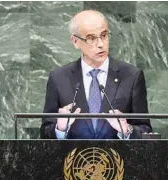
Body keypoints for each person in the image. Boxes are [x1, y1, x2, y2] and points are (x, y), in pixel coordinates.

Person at [40, 10, 152, 139]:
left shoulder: (132, 76)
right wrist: (60, 128)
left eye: (104, 35)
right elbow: (45, 133)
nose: (101, 44)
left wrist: (127, 129)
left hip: (118, 158)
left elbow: (145, 131)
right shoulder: (58, 78)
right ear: (75, 41)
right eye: (91, 38)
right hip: (73, 158)